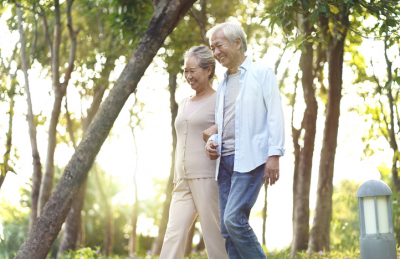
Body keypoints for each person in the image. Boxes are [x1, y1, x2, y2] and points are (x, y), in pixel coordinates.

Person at [205, 22, 285, 259]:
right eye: (212, 48)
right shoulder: (223, 83)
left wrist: (274, 155)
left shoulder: (261, 73)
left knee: (234, 220)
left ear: (237, 42)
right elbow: (226, 122)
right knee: (227, 229)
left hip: (250, 159)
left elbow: (275, 114)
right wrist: (213, 141)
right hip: (225, 162)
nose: (216, 53)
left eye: (219, 46)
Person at [159, 45, 228, 259]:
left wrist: (217, 129)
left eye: (193, 70)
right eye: (185, 71)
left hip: (208, 178)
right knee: (173, 235)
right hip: (182, 180)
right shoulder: (183, 103)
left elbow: (233, 126)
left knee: (214, 239)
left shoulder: (220, 100)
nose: (188, 76)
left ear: (208, 70)